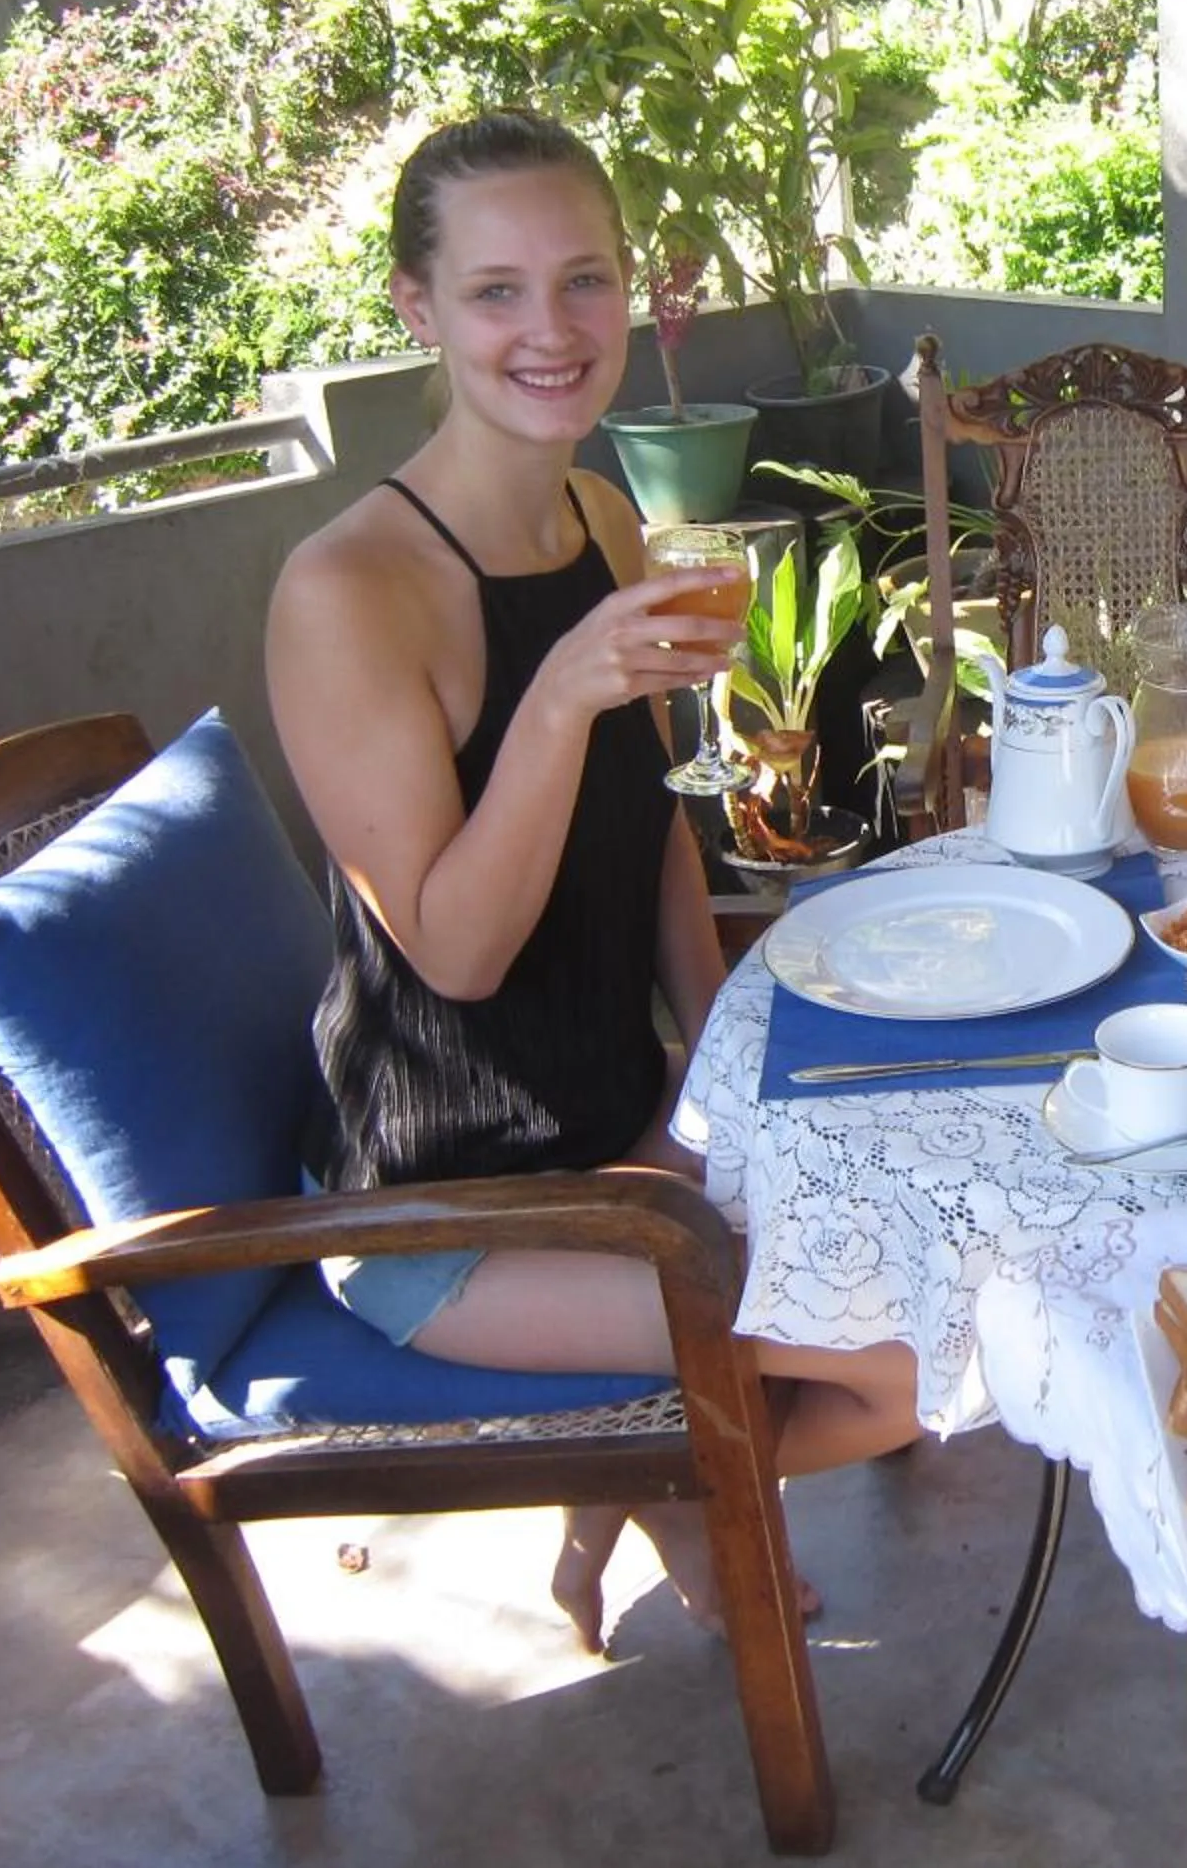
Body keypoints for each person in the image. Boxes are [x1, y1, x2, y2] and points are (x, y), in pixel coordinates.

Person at [267, 110, 919, 1654]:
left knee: (935, 1230)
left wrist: (718, 1074)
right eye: (496, 292)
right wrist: (557, 697)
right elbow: (458, 958)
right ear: (418, 310)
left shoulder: (603, 516)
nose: (551, 331)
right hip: (448, 1203)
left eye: (586, 280)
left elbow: (655, 840)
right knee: (906, 1363)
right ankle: (675, 1487)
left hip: (617, 1130)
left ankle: (645, 1474)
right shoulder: (347, 593)